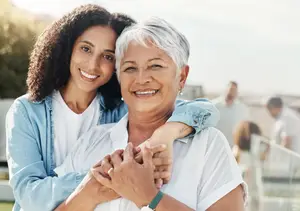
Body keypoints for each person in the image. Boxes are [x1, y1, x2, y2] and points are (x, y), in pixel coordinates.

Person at [5, 5, 220, 211]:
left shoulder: (121, 110)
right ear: (67, 48)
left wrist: (167, 133)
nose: (93, 64)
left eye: (108, 56)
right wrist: (104, 177)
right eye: (86, 49)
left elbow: (205, 110)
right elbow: (29, 196)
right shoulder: (27, 111)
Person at [55, 17, 247, 211]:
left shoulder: (208, 146)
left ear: (182, 77)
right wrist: (88, 195)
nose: (142, 78)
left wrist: (149, 197)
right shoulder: (90, 142)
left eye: (155, 66)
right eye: (130, 68)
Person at [213, 81, 250, 148]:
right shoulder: (213, 106)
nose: (231, 93)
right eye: (230, 90)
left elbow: (245, 129)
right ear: (225, 90)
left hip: (233, 148)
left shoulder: (242, 109)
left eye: (234, 90)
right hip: (216, 147)